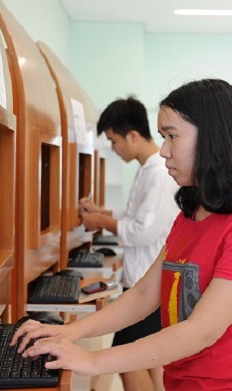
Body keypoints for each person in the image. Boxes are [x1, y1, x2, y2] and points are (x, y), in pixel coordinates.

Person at [12, 79, 232, 391]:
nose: (164, 150)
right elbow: (144, 295)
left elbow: (201, 331)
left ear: (213, 138)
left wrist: (92, 361)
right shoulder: (191, 213)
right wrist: (71, 332)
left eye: (172, 136)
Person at [78, 96, 179, 391]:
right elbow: (136, 217)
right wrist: (102, 212)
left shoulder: (158, 173)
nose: (113, 148)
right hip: (141, 279)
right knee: (150, 362)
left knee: (127, 363)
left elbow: (140, 231)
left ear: (132, 136)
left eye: (113, 140)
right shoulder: (147, 169)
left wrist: (101, 222)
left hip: (147, 284)